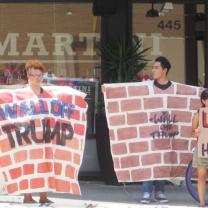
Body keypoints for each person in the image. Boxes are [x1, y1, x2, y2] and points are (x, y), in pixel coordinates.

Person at [140, 56, 171, 204]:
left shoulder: (173, 87)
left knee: (162, 160)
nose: (153, 70)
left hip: (165, 131)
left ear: (164, 70)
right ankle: (146, 192)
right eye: (153, 67)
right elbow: (129, 91)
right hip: (149, 129)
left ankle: (160, 191)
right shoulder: (147, 85)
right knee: (149, 159)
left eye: (156, 67)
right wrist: (108, 89)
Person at [23, 60, 53, 204]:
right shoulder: (22, 94)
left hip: (45, 135)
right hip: (26, 136)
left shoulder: (48, 94)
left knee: (45, 164)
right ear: (28, 76)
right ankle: (27, 196)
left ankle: (43, 195)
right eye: (33, 75)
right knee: (28, 164)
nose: (37, 78)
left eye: (39, 75)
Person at [192, 89, 208, 207]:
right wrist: (195, 132)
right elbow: (192, 132)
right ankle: (202, 203)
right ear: (203, 101)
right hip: (202, 147)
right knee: (201, 176)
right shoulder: (198, 114)